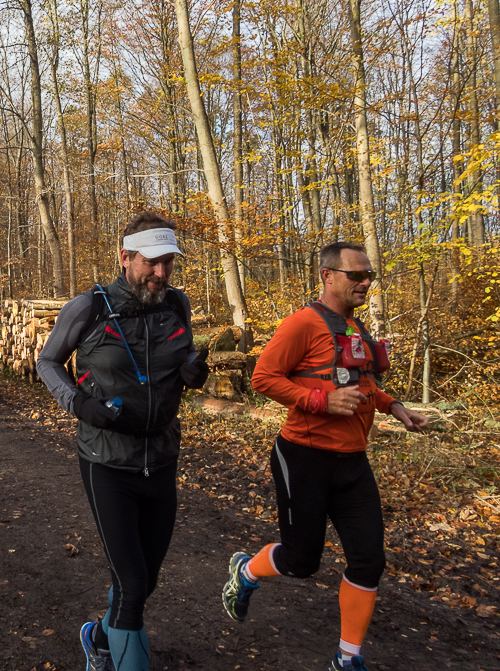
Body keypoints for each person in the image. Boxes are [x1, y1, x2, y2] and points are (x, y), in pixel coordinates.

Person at [221, 242, 429, 671]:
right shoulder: (301, 324)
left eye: (369, 275)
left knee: (369, 560)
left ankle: (347, 658)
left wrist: (394, 407)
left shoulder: (356, 329)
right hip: (304, 457)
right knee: (302, 562)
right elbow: (263, 377)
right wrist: (319, 401)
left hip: (353, 461)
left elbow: (364, 381)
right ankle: (245, 573)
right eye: (356, 275)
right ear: (328, 276)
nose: (365, 282)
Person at [36, 211, 210, 671]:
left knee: (146, 579)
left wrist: (194, 370)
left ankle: (98, 635)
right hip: (106, 460)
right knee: (132, 583)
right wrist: (77, 403)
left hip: (162, 457)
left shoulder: (178, 304)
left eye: (168, 262)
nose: (161, 273)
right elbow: (48, 361)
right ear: (125, 257)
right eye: (152, 263)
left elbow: (181, 352)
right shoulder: (88, 307)